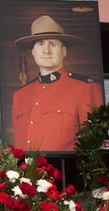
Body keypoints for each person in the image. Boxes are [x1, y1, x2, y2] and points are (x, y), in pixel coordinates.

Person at [12, 15, 103, 152]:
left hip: (67, 171)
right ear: (34, 52)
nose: (46, 50)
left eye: (52, 44)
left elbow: (94, 147)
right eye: (40, 44)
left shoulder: (86, 88)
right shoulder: (20, 94)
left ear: (63, 51)